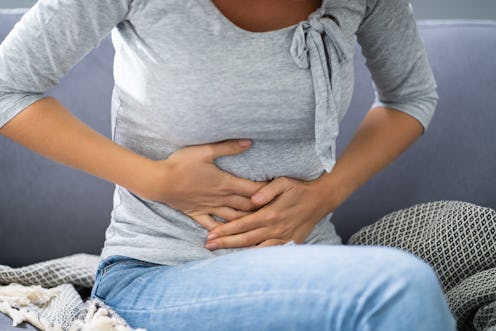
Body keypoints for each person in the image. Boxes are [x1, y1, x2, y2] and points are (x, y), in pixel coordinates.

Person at [0, 0, 456, 330]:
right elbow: (8, 89)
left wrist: (325, 193)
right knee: (398, 286)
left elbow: (409, 96)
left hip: (315, 264)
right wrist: (156, 180)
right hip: (160, 273)